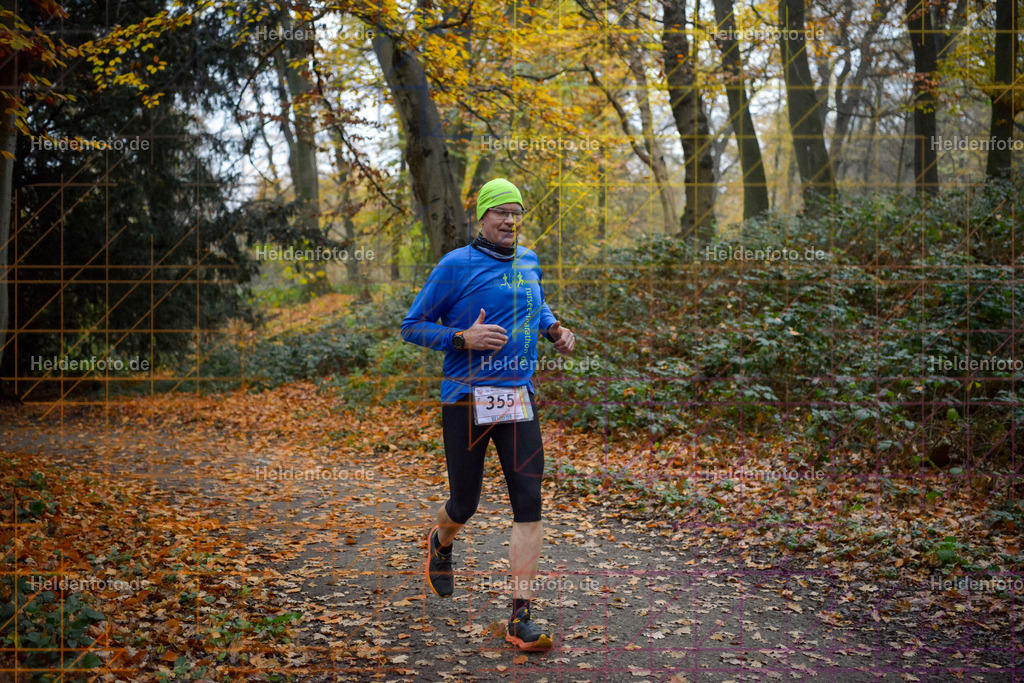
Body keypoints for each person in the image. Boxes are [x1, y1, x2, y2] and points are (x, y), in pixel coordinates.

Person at [400, 178, 575, 651]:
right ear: (483, 217)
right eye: (501, 212)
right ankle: (442, 538)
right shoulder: (456, 266)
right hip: (465, 398)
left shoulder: (529, 260)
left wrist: (554, 327)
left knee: (529, 500)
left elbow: (536, 304)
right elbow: (411, 326)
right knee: (466, 504)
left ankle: (521, 619)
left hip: (517, 397)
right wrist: (462, 338)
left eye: (517, 212)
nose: (510, 220)